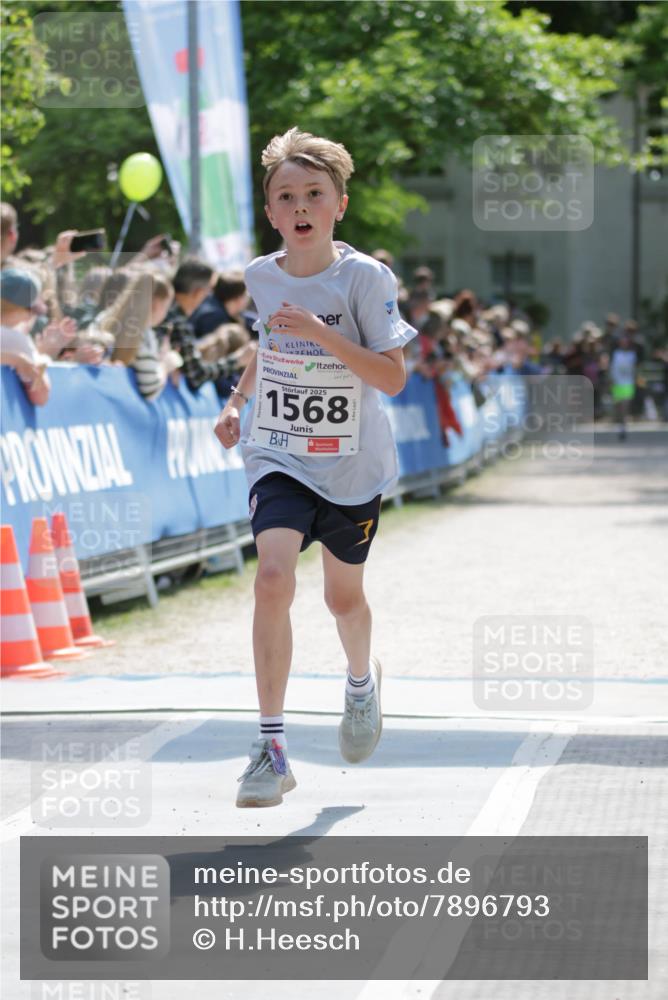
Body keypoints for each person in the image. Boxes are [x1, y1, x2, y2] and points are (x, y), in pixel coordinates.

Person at [215, 126, 416, 808]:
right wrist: (237, 401)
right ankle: (271, 748)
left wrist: (324, 333)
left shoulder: (365, 278)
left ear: (339, 205)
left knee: (341, 599)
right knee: (272, 579)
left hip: (352, 465)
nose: (300, 207)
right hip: (278, 451)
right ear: (270, 212)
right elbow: (269, 343)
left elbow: (392, 379)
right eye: (286, 196)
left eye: (313, 195)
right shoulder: (260, 277)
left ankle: (361, 683)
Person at [0, 268, 50, 405]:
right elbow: (40, 398)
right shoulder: (17, 340)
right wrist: (40, 357)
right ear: (19, 310)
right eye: (31, 310)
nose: (30, 316)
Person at [609, 331, 637, 440]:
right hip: (617, 383)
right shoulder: (616, 354)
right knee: (619, 407)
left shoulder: (632, 355)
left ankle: (623, 427)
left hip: (628, 383)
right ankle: (620, 425)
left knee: (625, 406)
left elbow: (634, 369)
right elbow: (612, 369)